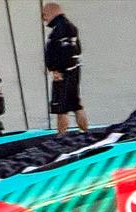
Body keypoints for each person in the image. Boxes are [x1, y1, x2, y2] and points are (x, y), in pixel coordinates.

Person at [43, 2, 88, 135]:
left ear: (53, 13)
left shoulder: (61, 29)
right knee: (75, 103)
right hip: (72, 71)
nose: (44, 18)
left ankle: (61, 136)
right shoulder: (70, 27)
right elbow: (77, 50)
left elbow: (66, 51)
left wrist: (57, 70)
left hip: (64, 73)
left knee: (61, 107)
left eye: (45, 15)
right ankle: (85, 132)